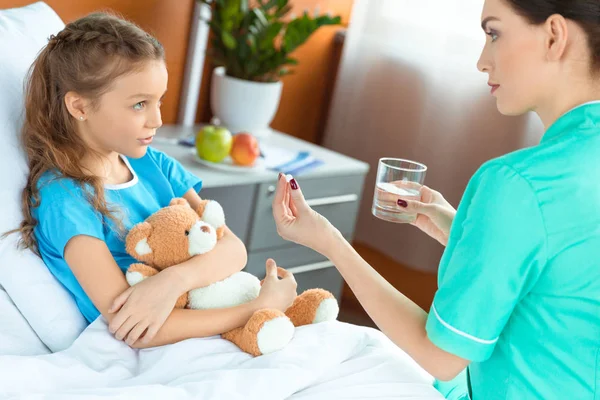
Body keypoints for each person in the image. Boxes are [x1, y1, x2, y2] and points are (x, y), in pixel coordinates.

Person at [271, 0, 600, 398]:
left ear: (554, 35)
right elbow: (565, 279)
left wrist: (330, 242)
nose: (482, 61)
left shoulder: (516, 184)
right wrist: (464, 232)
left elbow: (442, 356)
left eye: (494, 33)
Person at [7, 12, 298, 349]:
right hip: (164, 347)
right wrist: (256, 308)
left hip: (210, 317)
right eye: (139, 104)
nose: (157, 120)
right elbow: (134, 328)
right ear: (80, 106)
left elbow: (233, 248)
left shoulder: (153, 165)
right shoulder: (65, 198)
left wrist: (173, 281)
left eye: (158, 100)